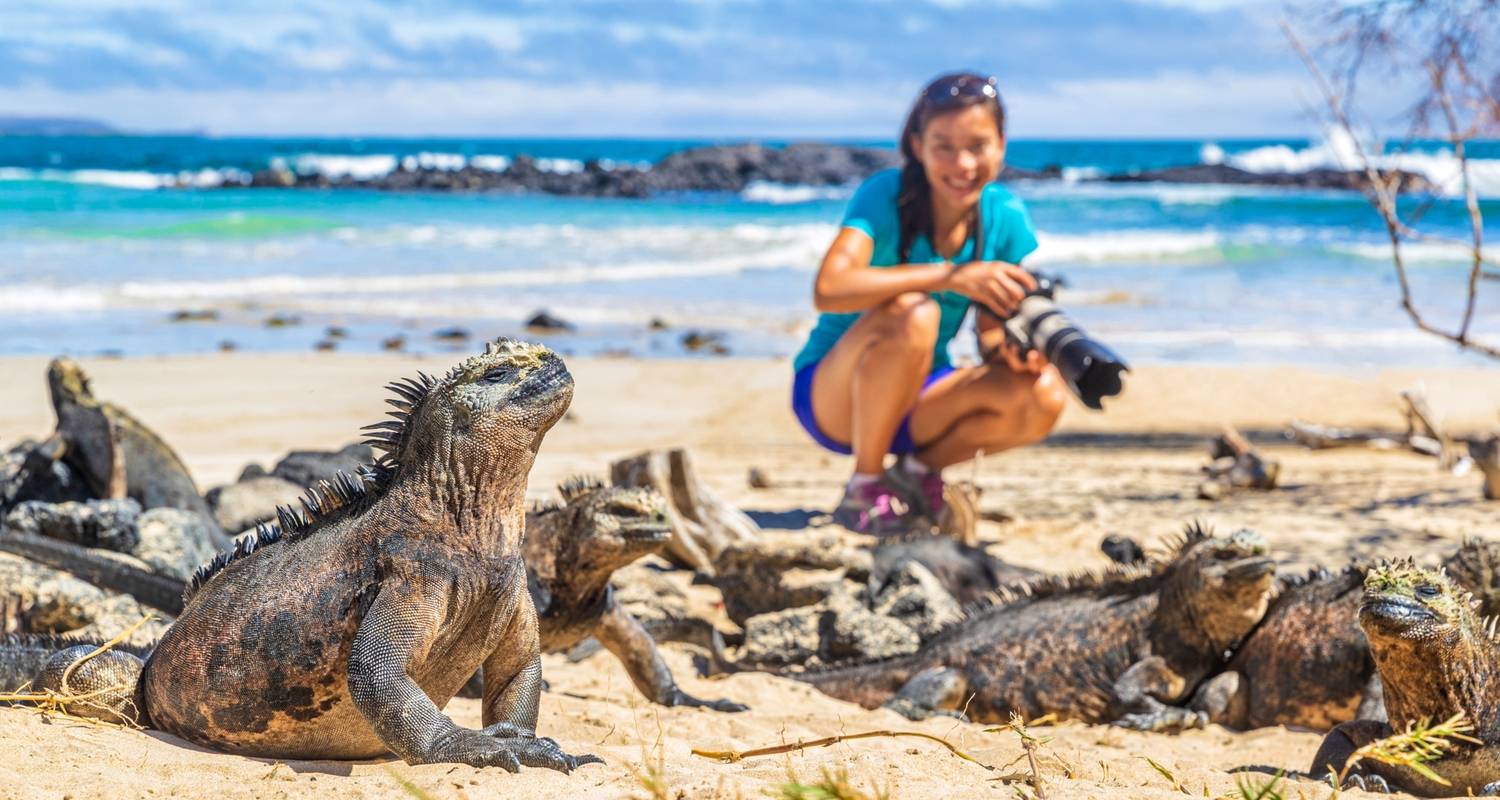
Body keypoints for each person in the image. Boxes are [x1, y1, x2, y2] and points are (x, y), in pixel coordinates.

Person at [791, 72, 1069, 535]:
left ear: (1001, 145)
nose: (961, 163)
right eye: (944, 146)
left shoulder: (1005, 217)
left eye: (977, 146)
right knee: (916, 312)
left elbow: (989, 336)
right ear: (917, 146)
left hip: (922, 399)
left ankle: (915, 474)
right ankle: (864, 483)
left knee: (1043, 393)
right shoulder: (885, 195)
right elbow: (830, 287)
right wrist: (953, 276)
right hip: (835, 395)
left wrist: (1014, 355)